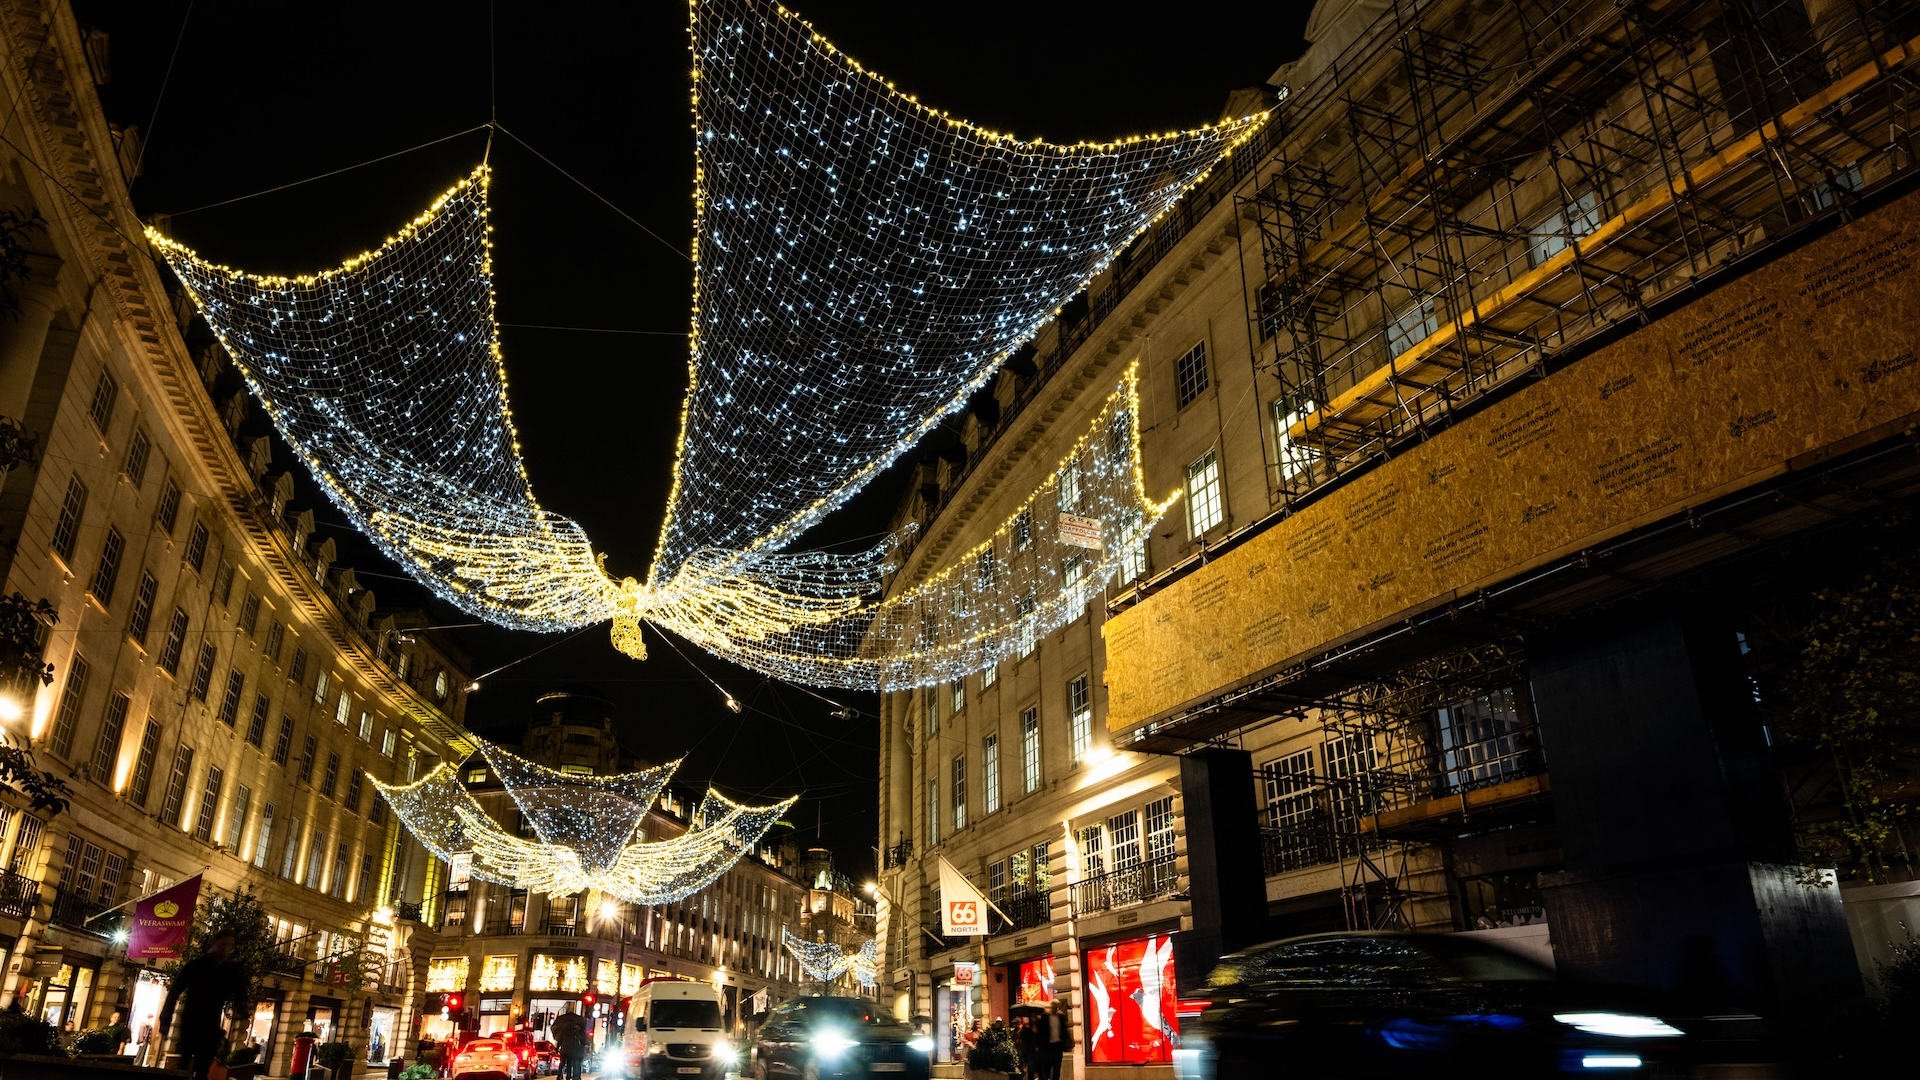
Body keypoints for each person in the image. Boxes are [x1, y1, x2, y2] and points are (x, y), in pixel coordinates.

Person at [157, 931, 250, 1080]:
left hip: (211, 1024)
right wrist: (165, 1019)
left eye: (229, 946)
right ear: (214, 944)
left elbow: (241, 993)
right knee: (185, 1061)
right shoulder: (197, 966)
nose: (225, 949)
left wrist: (243, 1007)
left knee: (203, 1066)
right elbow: (174, 991)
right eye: (223, 945)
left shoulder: (230, 971)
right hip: (191, 1021)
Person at [551, 1002, 586, 1080]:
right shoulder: (575, 1030)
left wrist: (557, 1048)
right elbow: (580, 1040)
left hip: (564, 1050)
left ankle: (560, 1075)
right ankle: (568, 1076)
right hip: (573, 1050)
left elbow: (559, 1040)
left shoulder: (563, 1029)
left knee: (562, 1063)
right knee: (570, 1063)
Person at [1038, 1001, 1073, 1080]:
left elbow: (1064, 1030)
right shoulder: (1044, 1017)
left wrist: (1069, 1041)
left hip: (1058, 1045)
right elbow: (1040, 1032)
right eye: (1052, 1008)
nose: (1053, 1010)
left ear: (1057, 1008)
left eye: (1055, 1008)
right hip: (1048, 1045)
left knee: (1057, 1067)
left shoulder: (1060, 1018)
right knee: (1047, 1066)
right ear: (1050, 1008)